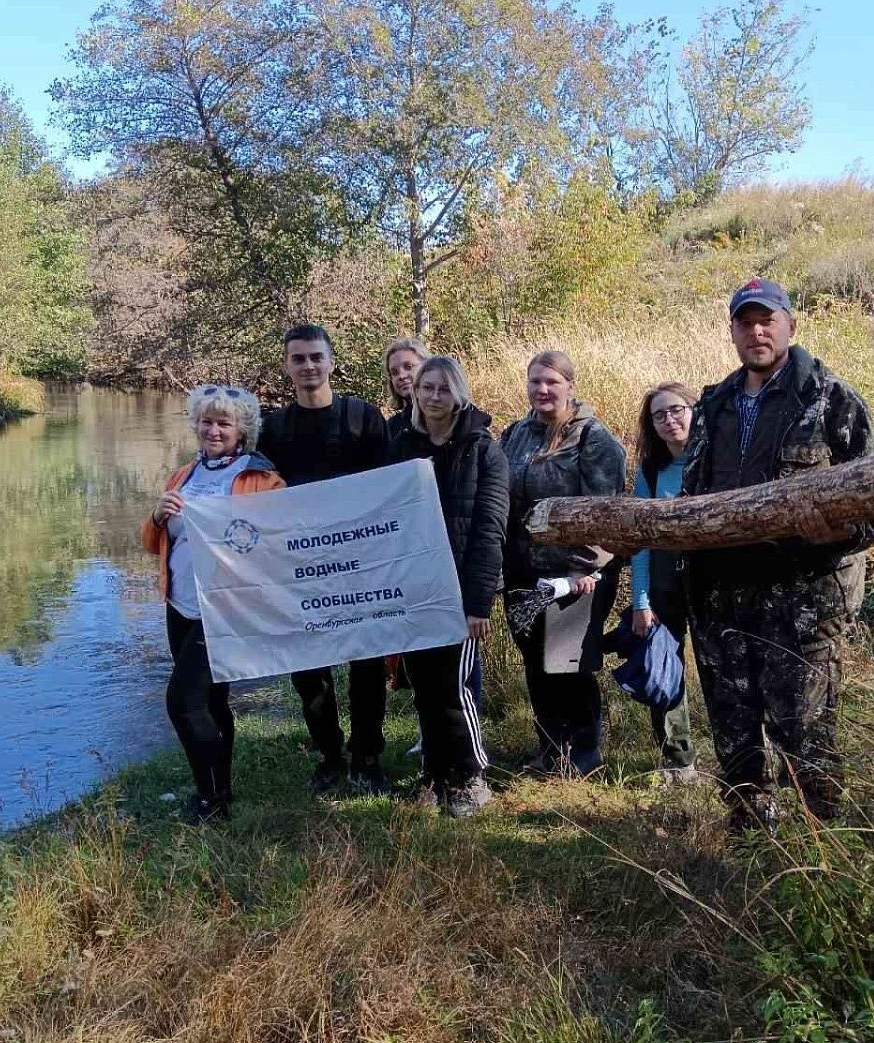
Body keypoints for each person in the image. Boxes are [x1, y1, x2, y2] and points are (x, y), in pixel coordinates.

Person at [682, 278, 874, 829]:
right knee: (735, 735)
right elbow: (691, 502)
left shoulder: (831, 398)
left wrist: (834, 532)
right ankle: (754, 847)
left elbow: (871, 506)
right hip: (721, 600)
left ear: (791, 324)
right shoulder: (714, 405)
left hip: (800, 601)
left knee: (806, 733)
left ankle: (827, 852)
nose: (757, 331)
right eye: (745, 322)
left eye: (767, 319)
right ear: (732, 332)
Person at [258, 324, 391, 795]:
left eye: (316, 357)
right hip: (300, 568)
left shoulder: (362, 418)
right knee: (307, 668)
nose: (308, 366)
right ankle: (330, 755)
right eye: (298, 358)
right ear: (287, 366)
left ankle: (367, 756)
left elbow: (389, 489)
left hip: (360, 564)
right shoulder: (272, 427)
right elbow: (255, 496)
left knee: (367, 666)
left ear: (331, 362)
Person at [142, 384, 284, 822]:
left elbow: (279, 545)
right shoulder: (182, 476)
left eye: (224, 422)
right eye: (206, 421)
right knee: (214, 702)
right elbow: (154, 545)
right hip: (180, 603)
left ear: (243, 429)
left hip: (226, 609)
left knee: (182, 702)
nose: (214, 429)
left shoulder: (261, 479)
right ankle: (221, 791)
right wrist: (156, 516)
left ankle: (209, 799)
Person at [391, 356, 509, 816]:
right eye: (425, 387)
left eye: (443, 388)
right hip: (413, 588)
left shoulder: (483, 449)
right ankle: (435, 775)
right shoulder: (402, 443)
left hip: (459, 592)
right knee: (423, 688)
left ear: (457, 392)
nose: (433, 396)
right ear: (414, 392)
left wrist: (478, 603)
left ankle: (470, 777)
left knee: (455, 689)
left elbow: (489, 530)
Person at [500, 350, 626, 776]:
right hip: (523, 573)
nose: (542, 389)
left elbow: (605, 511)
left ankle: (584, 755)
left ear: (570, 385)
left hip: (576, 576)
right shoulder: (515, 434)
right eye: (535, 381)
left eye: (551, 382)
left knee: (569, 663)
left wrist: (584, 570)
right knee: (536, 663)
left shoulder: (594, 439)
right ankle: (551, 750)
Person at [630, 381, 701, 782]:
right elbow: (638, 542)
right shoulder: (651, 471)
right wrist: (641, 601)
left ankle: (745, 756)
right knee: (664, 671)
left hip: (713, 586)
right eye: (659, 415)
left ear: (694, 410)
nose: (670, 420)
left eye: (677, 410)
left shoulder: (716, 461)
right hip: (663, 586)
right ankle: (678, 760)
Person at [384, 337, 431, 445]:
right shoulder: (392, 428)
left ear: (428, 367)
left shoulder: (452, 416)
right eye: (394, 372)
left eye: (408, 367)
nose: (401, 376)